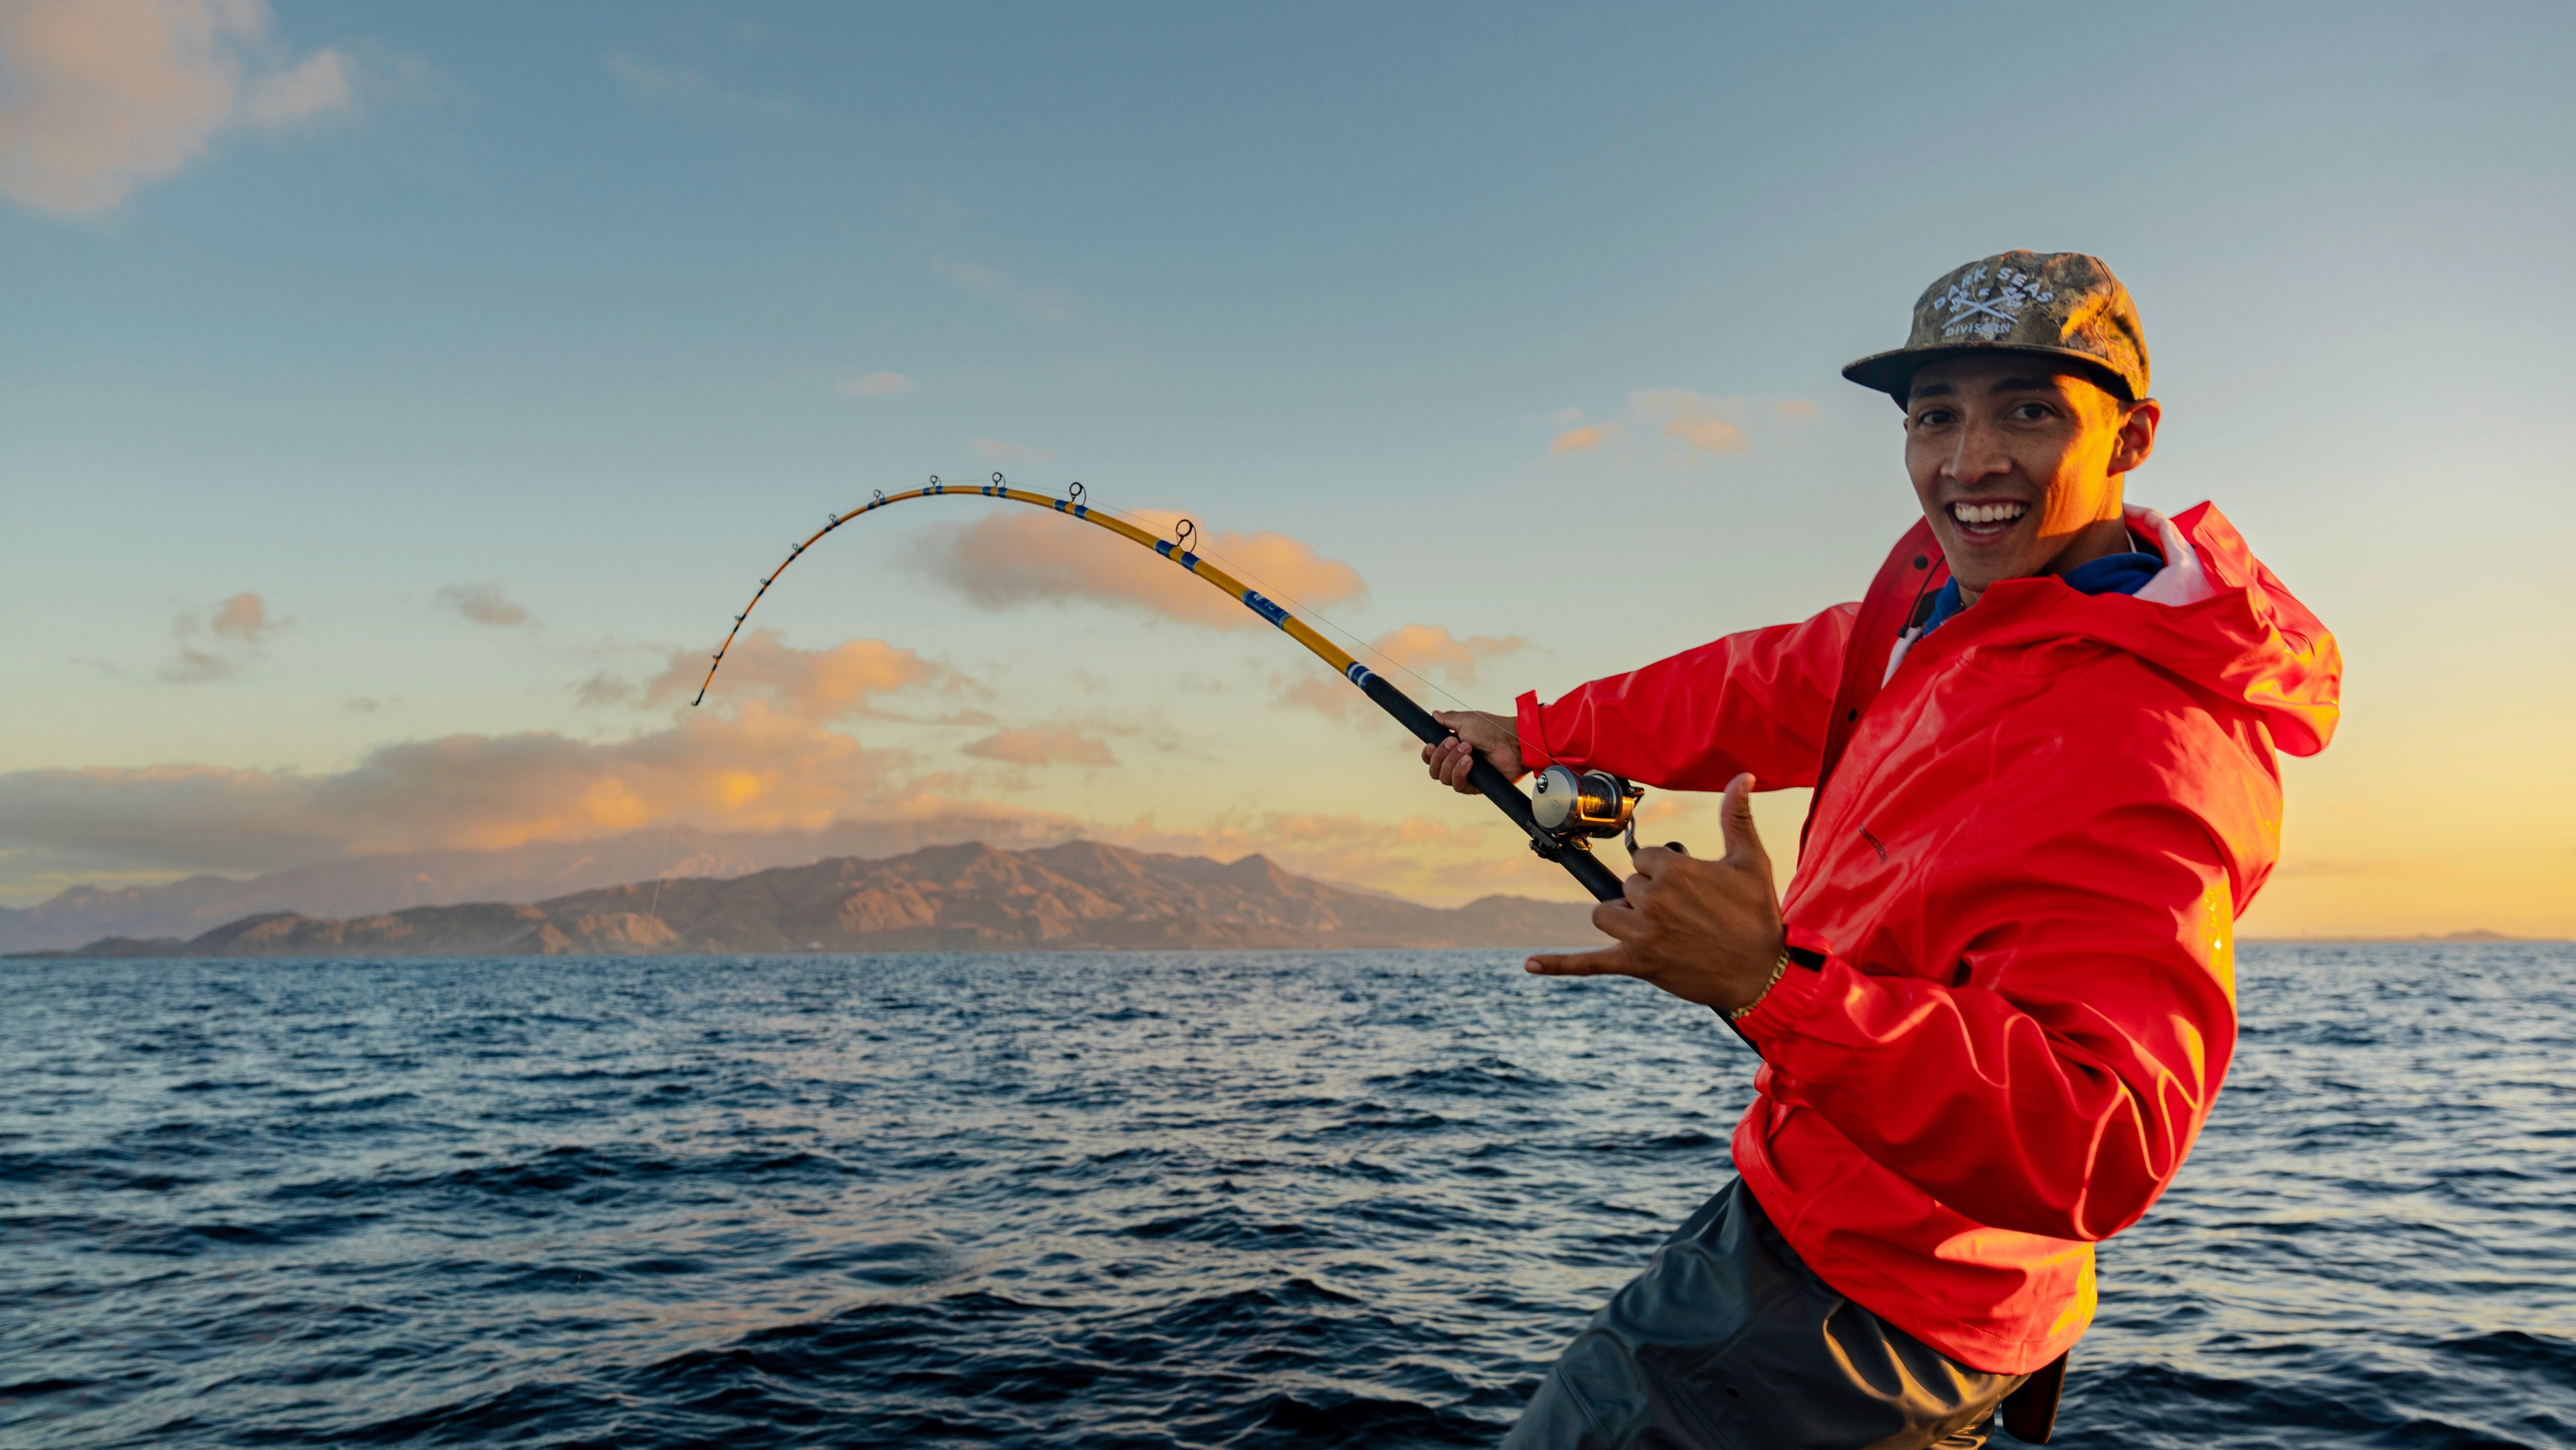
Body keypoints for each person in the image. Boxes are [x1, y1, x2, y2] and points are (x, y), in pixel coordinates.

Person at [1424, 251, 2340, 1448]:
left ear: (2132, 438)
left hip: (1881, 1304)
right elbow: (1777, 681)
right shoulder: (1951, 597)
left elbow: (2096, 1135)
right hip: (1824, 1207)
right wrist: (1546, 730)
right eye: (1935, 416)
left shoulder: (2150, 735)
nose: (1970, 463)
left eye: (2029, 409)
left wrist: (1771, 983)